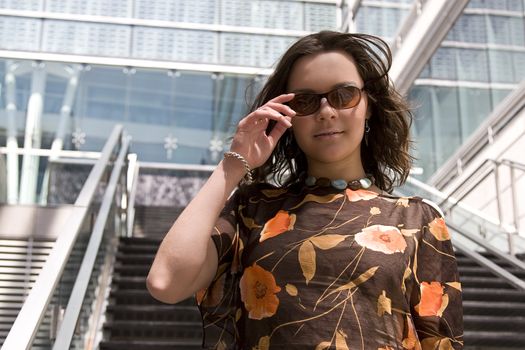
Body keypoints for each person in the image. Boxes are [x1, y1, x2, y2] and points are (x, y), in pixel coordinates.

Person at [147, 31, 463, 350]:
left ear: (369, 106)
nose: (326, 111)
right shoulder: (252, 208)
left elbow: (440, 341)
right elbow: (166, 282)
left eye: (344, 95)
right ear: (289, 116)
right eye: (306, 101)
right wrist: (233, 165)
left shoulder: (417, 218)